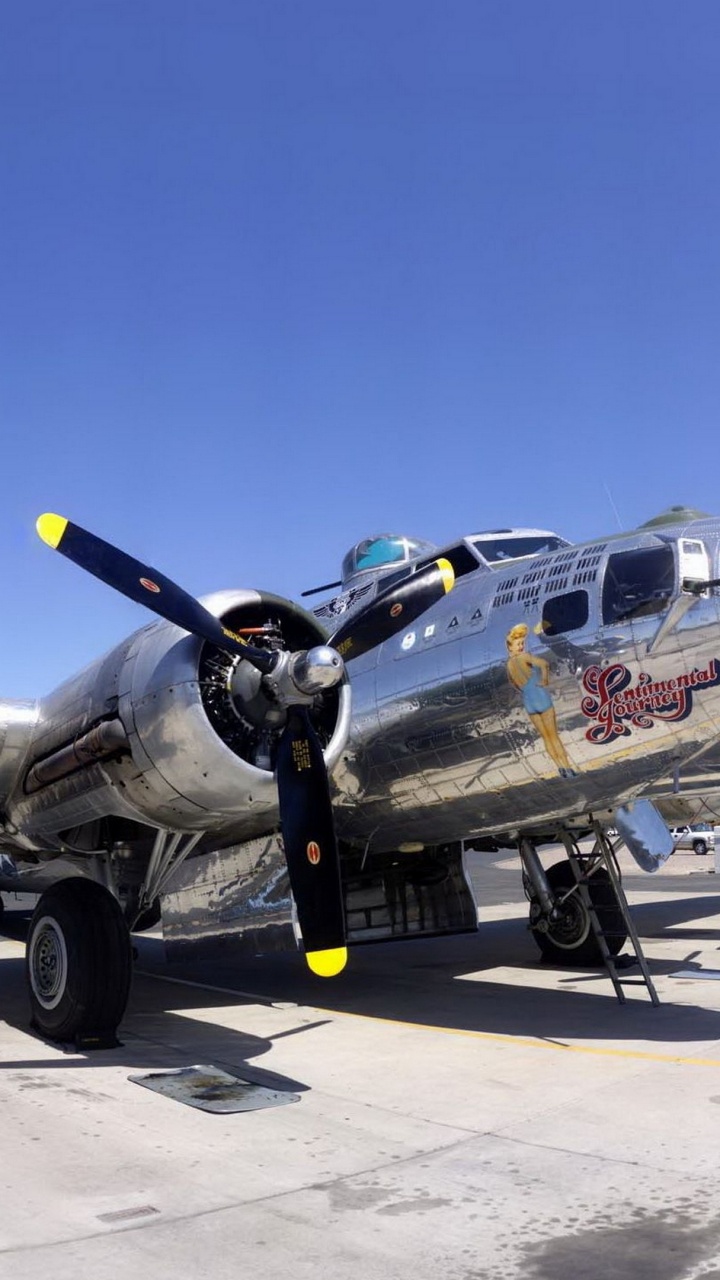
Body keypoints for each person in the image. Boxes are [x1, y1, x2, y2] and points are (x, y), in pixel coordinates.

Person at [505, 622, 578, 778]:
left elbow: (513, 683)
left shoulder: (509, 664)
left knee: (546, 738)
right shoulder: (524, 657)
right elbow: (544, 664)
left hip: (529, 702)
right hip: (541, 698)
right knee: (554, 736)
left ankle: (560, 768)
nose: (521, 647)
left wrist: (525, 690)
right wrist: (544, 680)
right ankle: (568, 767)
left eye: (522, 643)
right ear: (510, 647)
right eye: (518, 644)